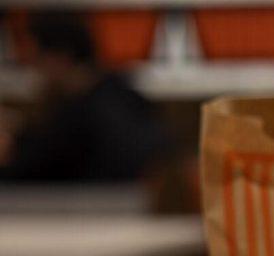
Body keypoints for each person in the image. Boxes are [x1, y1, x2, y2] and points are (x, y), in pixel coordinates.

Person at [0, 10, 170, 182]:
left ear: (60, 57)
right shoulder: (121, 92)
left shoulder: (79, 115)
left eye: (36, 60)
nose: (35, 73)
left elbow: (30, 170)